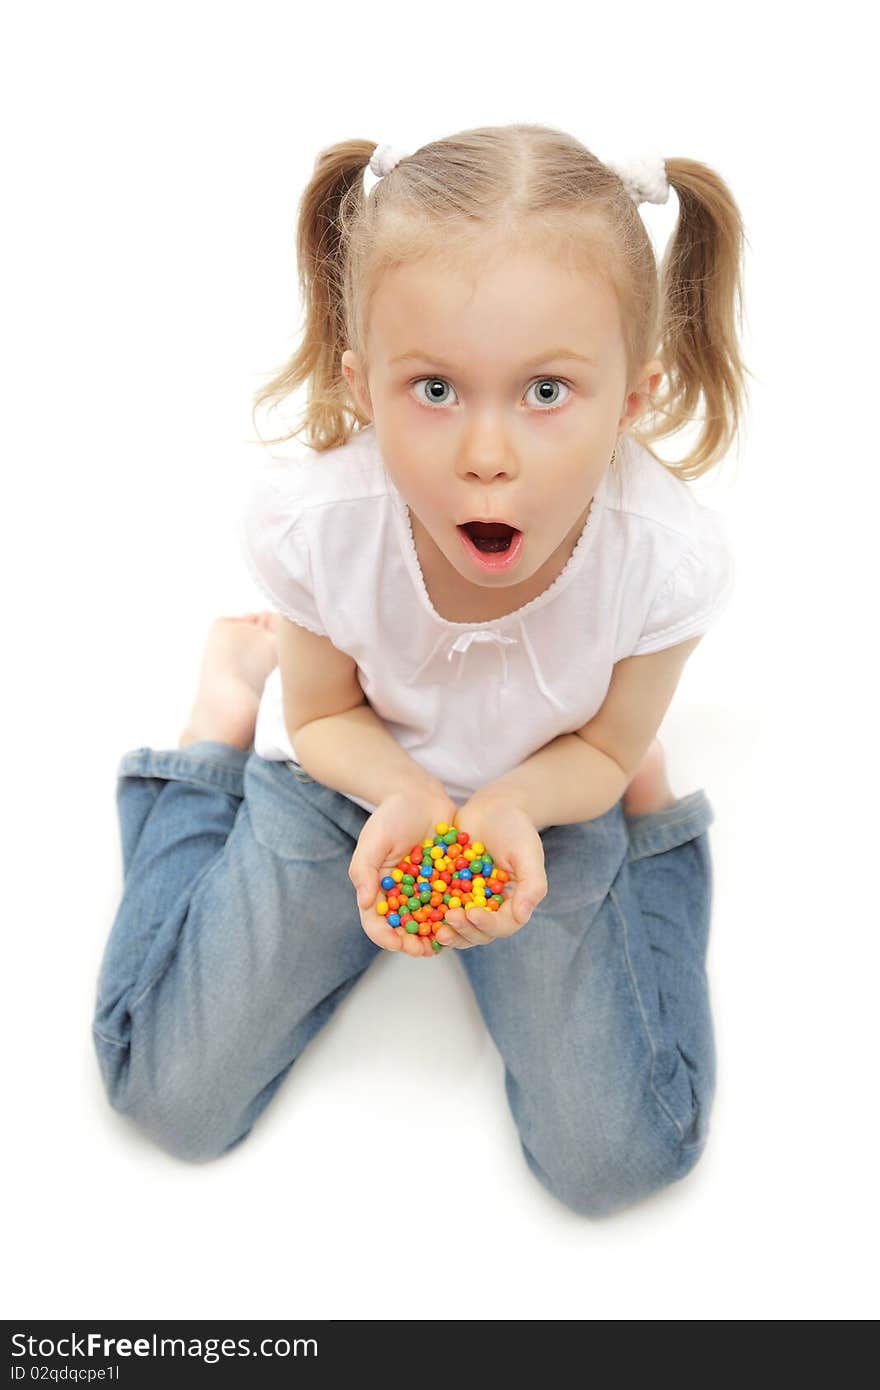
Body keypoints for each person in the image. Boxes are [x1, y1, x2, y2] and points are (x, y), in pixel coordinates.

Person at [92, 124, 749, 1218]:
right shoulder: (320, 527)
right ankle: (212, 723)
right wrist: (398, 791)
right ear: (362, 383)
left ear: (632, 399)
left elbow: (592, 746)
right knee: (169, 1098)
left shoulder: (665, 561)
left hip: (544, 790)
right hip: (347, 778)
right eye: (434, 390)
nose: (484, 453)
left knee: (616, 1164)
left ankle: (657, 827)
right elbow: (327, 718)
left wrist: (518, 801)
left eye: (546, 393)